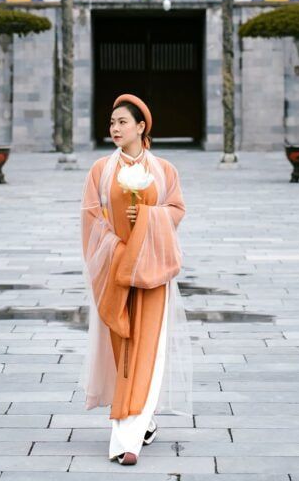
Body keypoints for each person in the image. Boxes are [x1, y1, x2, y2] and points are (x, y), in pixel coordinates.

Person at [79, 93, 192, 466]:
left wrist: (147, 217)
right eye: (112, 123)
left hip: (154, 272)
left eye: (122, 122)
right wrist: (117, 246)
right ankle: (144, 420)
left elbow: (175, 210)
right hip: (116, 269)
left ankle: (126, 440)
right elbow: (91, 219)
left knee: (149, 347)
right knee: (123, 349)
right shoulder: (100, 170)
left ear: (141, 127)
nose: (114, 128)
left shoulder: (164, 170)